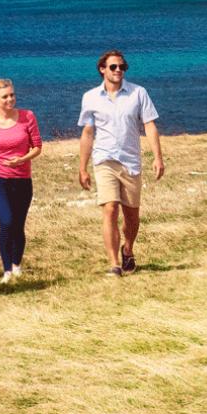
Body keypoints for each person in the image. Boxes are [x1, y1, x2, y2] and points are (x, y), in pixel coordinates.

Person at [78, 50, 164, 277]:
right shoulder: (90, 97)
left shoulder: (138, 93)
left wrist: (157, 157)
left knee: (131, 215)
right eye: (114, 67)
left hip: (131, 161)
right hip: (104, 159)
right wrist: (82, 168)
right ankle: (114, 264)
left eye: (122, 67)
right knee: (110, 208)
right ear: (102, 69)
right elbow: (88, 132)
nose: (118, 71)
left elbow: (150, 126)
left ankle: (128, 248)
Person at [0, 79, 41, 284]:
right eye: (5, 96)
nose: (10, 99)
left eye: (12, 95)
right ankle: (6, 269)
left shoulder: (28, 116)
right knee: (6, 222)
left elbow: (37, 146)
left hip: (23, 180)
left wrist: (22, 159)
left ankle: (17, 265)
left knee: (18, 225)